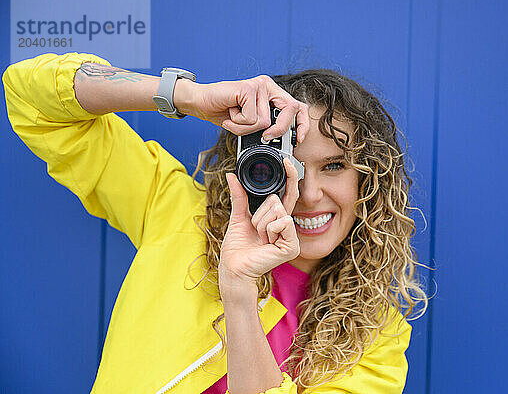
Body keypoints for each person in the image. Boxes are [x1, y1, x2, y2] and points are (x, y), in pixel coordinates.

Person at [3, 52, 427, 394]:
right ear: (248, 166)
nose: (310, 192)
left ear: (368, 180)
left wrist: (240, 295)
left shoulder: (376, 336)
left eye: (334, 165)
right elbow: (31, 97)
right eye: (288, 165)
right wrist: (186, 96)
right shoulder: (176, 213)